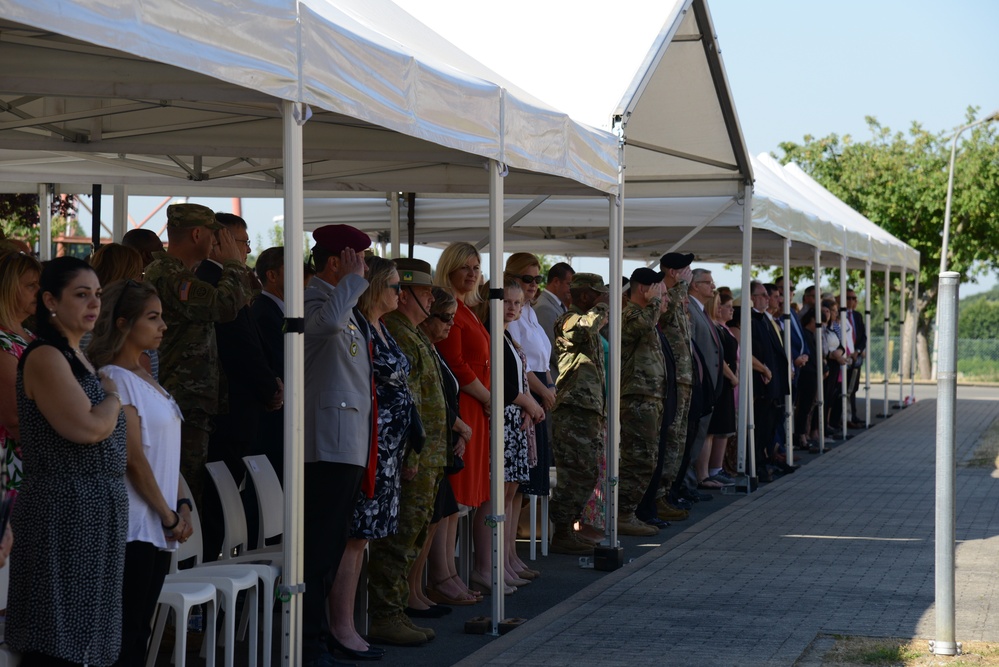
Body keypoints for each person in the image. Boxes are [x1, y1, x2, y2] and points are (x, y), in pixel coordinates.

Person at [6, 257, 127, 666]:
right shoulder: (45, 356)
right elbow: (87, 428)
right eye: (81, 294)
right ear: (50, 300)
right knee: (58, 637)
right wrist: (113, 398)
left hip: (94, 509)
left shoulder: (79, 356)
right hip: (63, 510)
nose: (93, 303)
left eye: (96, 294)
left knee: (87, 636)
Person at [89, 279, 194, 667]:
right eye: (153, 318)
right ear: (122, 323)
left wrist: (181, 504)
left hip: (159, 524)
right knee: (127, 635)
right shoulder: (114, 380)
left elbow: (167, 454)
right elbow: (133, 458)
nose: (162, 326)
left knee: (140, 631)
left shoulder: (147, 378)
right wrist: (168, 515)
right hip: (134, 524)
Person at [331, 256, 417, 655]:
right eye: (395, 286)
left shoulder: (383, 328)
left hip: (389, 454)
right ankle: (342, 626)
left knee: (365, 539)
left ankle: (353, 622)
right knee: (355, 537)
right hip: (366, 450)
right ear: (374, 288)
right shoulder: (360, 326)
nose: (401, 293)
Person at [144, 203, 253, 509]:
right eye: (215, 236)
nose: (218, 244)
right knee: (184, 493)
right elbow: (224, 307)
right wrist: (233, 264)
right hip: (182, 399)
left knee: (190, 490)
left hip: (187, 399)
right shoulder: (171, 276)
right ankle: (179, 556)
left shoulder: (177, 273)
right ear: (197, 234)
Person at [302, 224, 374, 667]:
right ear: (337, 262)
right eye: (358, 262)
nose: (364, 271)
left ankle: (322, 633)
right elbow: (325, 327)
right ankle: (308, 640)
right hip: (327, 441)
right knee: (319, 548)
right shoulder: (317, 298)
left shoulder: (341, 301)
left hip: (348, 439)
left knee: (330, 546)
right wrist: (350, 282)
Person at [368, 258, 450, 646]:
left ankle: (396, 610)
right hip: (412, 457)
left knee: (412, 538)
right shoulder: (399, 332)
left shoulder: (410, 331)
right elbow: (407, 402)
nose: (431, 299)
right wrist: (413, 457)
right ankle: (385, 614)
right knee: (398, 543)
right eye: (424, 292)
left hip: (428, 454)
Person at [196, 212, 281, 561]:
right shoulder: (213, 280)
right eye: (241, 241)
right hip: (227, 411)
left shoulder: (227, 278)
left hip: (240, 411)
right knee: (216, 507)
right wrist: (268, 385)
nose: (245, 249)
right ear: (219, 241)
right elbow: (237, 343)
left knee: (225, 502)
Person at [432, 243, 494, 593]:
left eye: (476, 266)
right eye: (465, 267)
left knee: (463, 499)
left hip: (477, 405)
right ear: (450, 269)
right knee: (454, 494)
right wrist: (487, 398)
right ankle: (443, 574)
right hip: (466, 403)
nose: (472, 273)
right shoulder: (448, 306)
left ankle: (452, 572)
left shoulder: (469, 308)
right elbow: (454, 361)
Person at [421, 287, 479, 607]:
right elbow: (431, 399)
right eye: (444, 318)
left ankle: (447, 575)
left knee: (448, 510)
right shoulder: (424, 347)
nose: (449, 325)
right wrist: (459, 426)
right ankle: (436, 580)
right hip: (430, 445)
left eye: (452, 319)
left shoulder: (435, 349)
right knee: (437, 513)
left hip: (444, 444)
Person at [549, 273, 609, 554]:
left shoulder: (587, 317)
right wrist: (604, 307)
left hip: (589, 409)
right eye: (599, 295)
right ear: (585, 296)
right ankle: (562, 531)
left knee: (586, 472)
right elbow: (584, 328)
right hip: (574, 410)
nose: (602, 300)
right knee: (574, 473)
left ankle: (569, 526)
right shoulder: (568, 320)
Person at [504, 253, 553, 562]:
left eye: (537, 279)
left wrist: (550, 390)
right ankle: (505, 556)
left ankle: (511, 556)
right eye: (527, 279)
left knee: (522, 485)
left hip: (536, 399)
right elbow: (521, 368)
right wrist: (541, 396)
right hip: (525, 401)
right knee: (515, 486)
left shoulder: (530, 313)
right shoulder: (515, 316)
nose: (534, 285)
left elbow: (542, 361)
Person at [499, 277, 544, 587]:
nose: (512, 308)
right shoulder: (495, 335)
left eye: (517, 303)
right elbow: (504, 383)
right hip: (506, 418)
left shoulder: (507, 336)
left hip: (518, 420)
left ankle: (509, 556)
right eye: (506, 302)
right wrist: (528, 402)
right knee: (501, 495)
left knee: (513, 491)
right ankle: (496, 560)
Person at [619, 267, 668, 535]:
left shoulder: (646, 313)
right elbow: (642, 326)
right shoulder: (631, 314)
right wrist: (656, 302)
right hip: (636, 397)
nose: (661, 293)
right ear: (643, 289)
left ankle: (631, 511)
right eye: (657, 288)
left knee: (647, 458)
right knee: (638, 458)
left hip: (651, 396)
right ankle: (624, 513)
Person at [0, 250, 41, 492]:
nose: (39, 291)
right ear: (7, 289)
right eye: (30, 285)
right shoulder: (2, 343)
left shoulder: (31, 336)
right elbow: (15, 417)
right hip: (14, 465)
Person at [250, 246, 286, 479]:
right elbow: (278, 362)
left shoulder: (279, 310)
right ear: (271, 276)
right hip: (273, 421)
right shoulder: (264, 312)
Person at [700, 292, 739, 488]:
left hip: (726, 383)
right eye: (718, 304)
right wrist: (732, 376)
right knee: (713, 429)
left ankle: (716, 469)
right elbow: (717, 357)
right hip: (719, 382)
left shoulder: (720, 328)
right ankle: (707, 472)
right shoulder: (712, 327)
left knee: (722, 429)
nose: (724, 309)